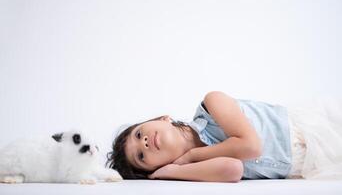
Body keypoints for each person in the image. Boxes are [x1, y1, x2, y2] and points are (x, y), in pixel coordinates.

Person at [106, 91, 342, 182]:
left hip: (315, 130)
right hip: (307, 166)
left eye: (139, 134)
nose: (144, 143)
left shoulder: (211, 105)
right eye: (141, 156)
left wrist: (191, 156)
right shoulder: (197, 166)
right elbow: (233, 170)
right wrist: (176, 171)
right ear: (157, 168)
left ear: (162, 118)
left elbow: (251, 147)